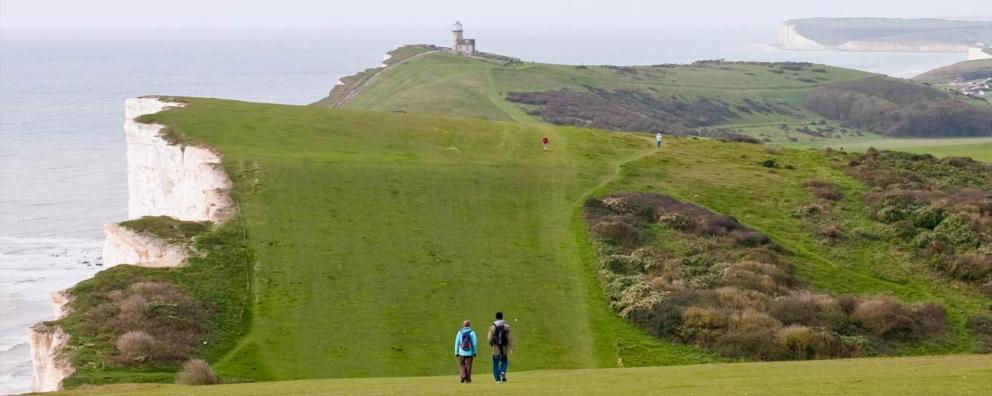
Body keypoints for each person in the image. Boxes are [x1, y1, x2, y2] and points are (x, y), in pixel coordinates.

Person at [487, 312, 513, 383]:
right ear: (502, 317)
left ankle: (497, 380)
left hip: (495, 347)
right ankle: (502, 371)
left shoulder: (492, 326)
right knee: (504, 360)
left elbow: (489, 339)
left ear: (496, 317)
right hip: (504, 347)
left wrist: (492, 345)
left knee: (495, 363)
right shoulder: (506, 326)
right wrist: (511, 348)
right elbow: (510, 338)